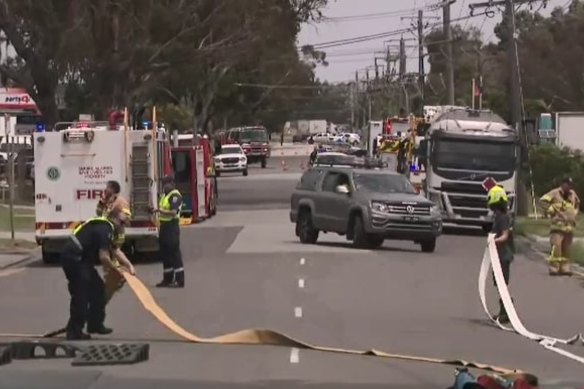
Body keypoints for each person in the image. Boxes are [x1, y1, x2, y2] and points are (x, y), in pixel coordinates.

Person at [60, 208, 135, 340]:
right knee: (81, 294)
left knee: (98, 289)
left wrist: (129, 265)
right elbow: (104, 257)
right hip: (74, 258)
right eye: (123, 224)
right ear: (116, 218)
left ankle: (95, 324)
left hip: (82, 260)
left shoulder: (107, 227)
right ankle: (74, 331)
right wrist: (117, 271)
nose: (123, 228)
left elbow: (115, 250)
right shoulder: (104, 229)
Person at [539, 176, 580, 276]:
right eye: (567, 184)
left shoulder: (572, 194)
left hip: (569, 227)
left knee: (567, 249)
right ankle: (554, 268)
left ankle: (565, 268)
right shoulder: (554, 193)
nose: (569, 187)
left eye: (570, 185)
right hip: (557, 226)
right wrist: (550, 210)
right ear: (563, 184)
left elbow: (578, 203)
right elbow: (542, 201)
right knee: (556, 248)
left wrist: (575, 212)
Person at [151, 175, 184, 288]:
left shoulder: (175, 196)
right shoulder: (165, 195)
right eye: (163, 184)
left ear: (172, 183)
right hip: (164, 227)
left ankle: (179, 280)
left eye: (166, 184)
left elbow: (173, 212)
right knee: (165, 254)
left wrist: (159, 210)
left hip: (171, 226)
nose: (164, 186)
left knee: (174, 253)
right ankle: (168, 279)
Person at [487, 185, 514, 324]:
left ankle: (507, 311)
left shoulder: (502, 218)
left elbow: (504, 236)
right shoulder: (499, 217)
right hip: (499, 256)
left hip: (503, 256)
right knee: (499, 284)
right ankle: (504, 311)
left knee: (502, 284)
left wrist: (493, 241)